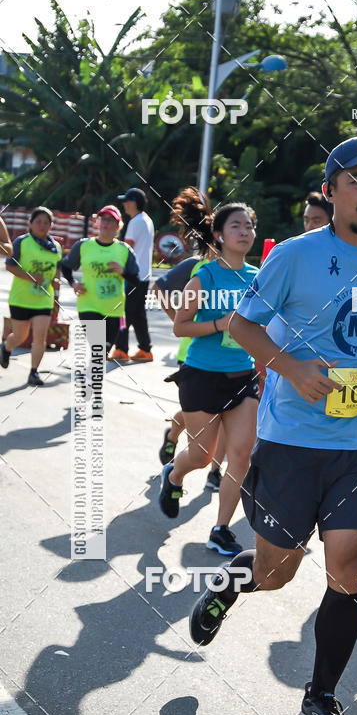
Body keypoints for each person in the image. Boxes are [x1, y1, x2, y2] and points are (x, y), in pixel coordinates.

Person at [189, 135, 357, 715]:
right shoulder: (294, 257)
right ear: (330, 192)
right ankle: (232, 582)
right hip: (294, 442)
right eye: (356, 180)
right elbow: (245, 324)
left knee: (348, 571)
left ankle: (320, 698)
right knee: (278, 573)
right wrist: (290, 367)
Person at [158, 202, 260, 558]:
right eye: (237, 226)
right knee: (203, 456)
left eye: (249, 226)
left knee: (242, 455)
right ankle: (173, 475)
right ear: (219, 235)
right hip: (202, 374)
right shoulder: (205, 276)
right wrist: (222, 323)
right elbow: (180, 326)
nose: (245, 232)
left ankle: (221, 529)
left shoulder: (257, 278)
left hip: (243, 376)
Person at [155, 187, 225, 490]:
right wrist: (177, 320)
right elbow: (159, 288)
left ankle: (216, 471)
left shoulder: (239, 270)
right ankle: (173, 435)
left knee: (220, 413)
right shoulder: (195, 266)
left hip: (230, 355)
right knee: (206, 414)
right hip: (192, 352)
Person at [61, 205, 139, 354]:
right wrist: (73, 283)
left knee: (103, 352)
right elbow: (65, 266)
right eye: (103, 219)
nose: (106, 223)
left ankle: (93, 377)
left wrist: (122, 272)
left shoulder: (124, 250)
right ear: (97, 222)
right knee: (98, 347)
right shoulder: (83, 245)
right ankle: (93, 376)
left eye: (111, 221)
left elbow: (136, 280)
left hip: (114, 309)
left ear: (118, 226)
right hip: (89, 305)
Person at [1, 206, 62, 386]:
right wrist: (31, 277)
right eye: (38, 222)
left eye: (46, 223)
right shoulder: (22, 242)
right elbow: (10, 266)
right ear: (30, 223)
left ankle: (33, 372)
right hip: (21, 298)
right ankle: (5, 347)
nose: (42, 226)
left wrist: (56, 286)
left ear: (51, 225)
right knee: (20, 336)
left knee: (40, 337)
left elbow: (56, 269)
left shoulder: (56, 247)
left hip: (44, 298)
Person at [110, 187, 155, 362]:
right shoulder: (147, 220)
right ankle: (145, 349)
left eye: (126, 201)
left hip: (132, 276)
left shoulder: (136, 222)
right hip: (144, 275)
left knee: (123, 313)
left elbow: (126, 248)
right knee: (137, 315)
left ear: (134, 203)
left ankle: (121, 349)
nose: (124, 205)